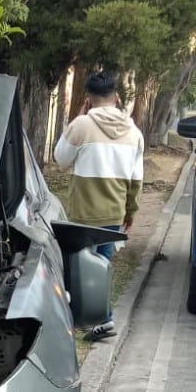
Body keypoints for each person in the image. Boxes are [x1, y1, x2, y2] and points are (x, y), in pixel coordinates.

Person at [53, 71, 144, 340]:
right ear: (116, 97)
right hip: (114, 209)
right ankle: (102, 318)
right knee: (102, 265)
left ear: (89, 99)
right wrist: (131, 211)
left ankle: (96, 318)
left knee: (79, 266)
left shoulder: (82, 125)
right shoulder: (134, 132)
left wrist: (77, 119)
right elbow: (136, 179)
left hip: (84, 210)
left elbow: (60, 159)